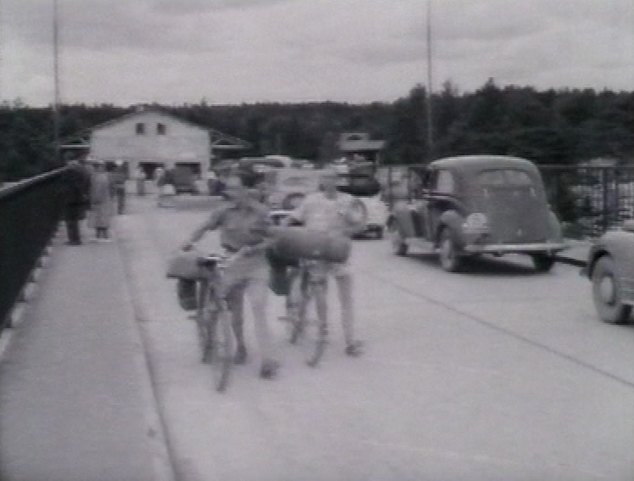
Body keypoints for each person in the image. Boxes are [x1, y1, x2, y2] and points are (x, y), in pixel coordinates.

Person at [180, 174, 279, 379]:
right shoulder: (223, 211)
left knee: (258, 307)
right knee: (231, 311)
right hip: (231, 262)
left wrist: (255, 248)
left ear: (246, 190)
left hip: (256, 264)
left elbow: (273, 238)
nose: (232, 194)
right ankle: (237, 345)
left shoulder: (261, 212)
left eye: (235, 189)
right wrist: (189, 241)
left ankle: (268, 360)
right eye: (229, 190)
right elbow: (206, 226)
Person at [285, 168, 364, 357]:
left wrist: (350, 230)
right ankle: (321, 329)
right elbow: (294, 217)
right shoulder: (311, 200)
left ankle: (350, 340)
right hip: (315, 253)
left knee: (346, 297)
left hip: (338, 253)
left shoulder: (347, 201)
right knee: (317, 291)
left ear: (338, 180)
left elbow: (360, 223)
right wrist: (282, 227)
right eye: (325, 177)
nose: (328, 181)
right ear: (321, 180)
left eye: (332, 178)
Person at [63, 157, 91, 245]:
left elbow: (68, 186)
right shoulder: (81, 173)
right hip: (77, 199)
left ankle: (73, 239)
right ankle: (76, 239)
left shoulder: (68, 173)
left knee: (69, 220)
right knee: (74, 220)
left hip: (69, 199)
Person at [89, 159, 114, 241]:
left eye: (97, 166)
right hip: (103, 199)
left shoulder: (98, 176)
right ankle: (100, 234)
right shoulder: (99, 176)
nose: (96, 168)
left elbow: (98, 189)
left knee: (100, 217)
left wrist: (95, 198)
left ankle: (103, 235)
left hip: (102, 199)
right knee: (100, 217)